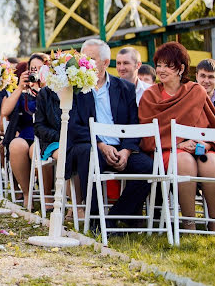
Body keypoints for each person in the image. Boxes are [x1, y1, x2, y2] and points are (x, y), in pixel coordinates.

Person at [66, 39, 154, 229]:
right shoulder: (74, 89)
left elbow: (133, 123)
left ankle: (114, 218)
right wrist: (100, 144)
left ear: (105, 63)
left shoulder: (125, 88)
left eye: (90, 59)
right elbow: (74, 126)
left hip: (120, 147)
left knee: (148, 167)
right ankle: (97, 220)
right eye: (82, 58)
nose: (85, 63)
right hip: (90, 145)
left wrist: (127, 151)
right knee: (91, 155)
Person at [139, 42, 215, 230]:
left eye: (167, 65)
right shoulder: (150, 96)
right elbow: (147, 136)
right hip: (166, 150)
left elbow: (210, 124)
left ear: (181, 68)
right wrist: (178, 144)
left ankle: (213, 221)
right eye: (159, 65)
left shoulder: (196, 91)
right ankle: (189, 223)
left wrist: (205, 143)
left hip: (199, 147)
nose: (161, 70)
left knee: (210, 163)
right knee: (184, 161)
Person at [0, 54, 49, 209]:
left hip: (46, 134)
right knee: (16, 146)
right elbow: (5, 112)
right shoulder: (23, 93)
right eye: (33, 69)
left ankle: (47, 195)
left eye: (40, 69)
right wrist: (20, 87)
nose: (36, 72)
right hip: (27, 133)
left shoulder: (53, 90)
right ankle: (27, 193)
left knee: (38, 149)